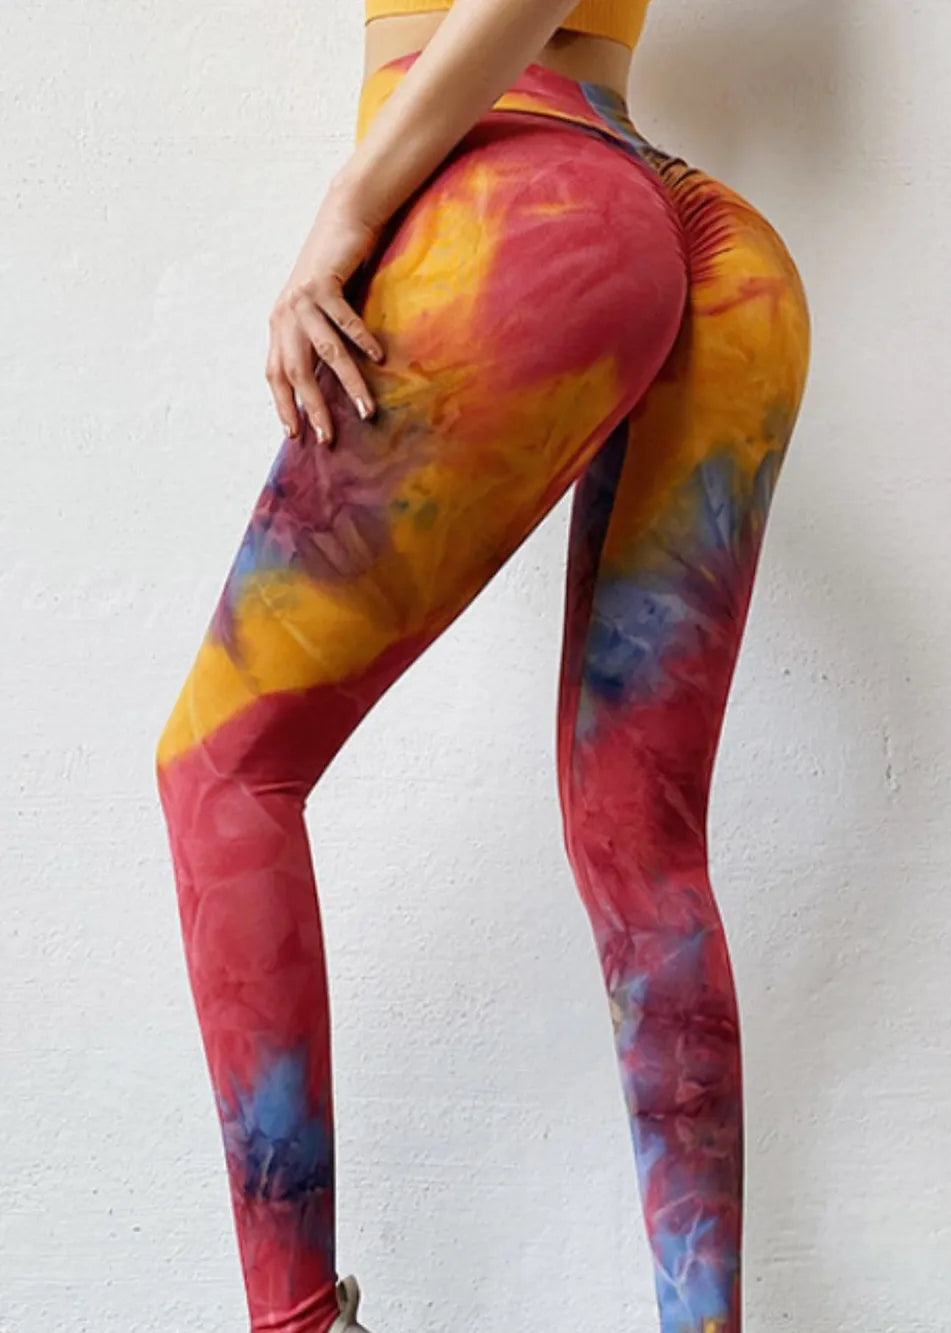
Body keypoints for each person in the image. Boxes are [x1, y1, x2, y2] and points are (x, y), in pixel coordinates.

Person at [154, 0, 812, 1329]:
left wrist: (351, 204)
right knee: (644, 847)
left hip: (528, 203)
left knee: (222, 769)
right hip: (710, 245)